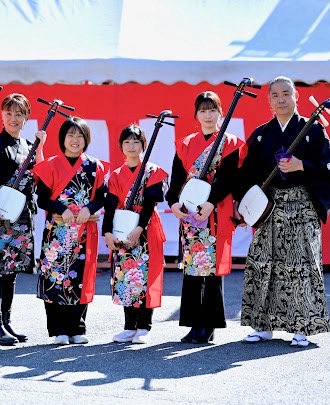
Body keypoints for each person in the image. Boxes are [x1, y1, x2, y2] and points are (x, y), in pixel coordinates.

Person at [238, 76, 330, 347]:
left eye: (286, 94)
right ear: (269, 100)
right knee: (262, 264)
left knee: (299, 265)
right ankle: (262, 326)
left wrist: (302, 165)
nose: (281, 99)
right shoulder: (262, 133)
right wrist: (244, 207)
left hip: (300, 206)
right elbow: (246, 172)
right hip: (268, 208)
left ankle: (302, 326)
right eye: (275, 95)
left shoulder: (313, 129)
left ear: (296, 96)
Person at [166, 91, 246, 344]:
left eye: (213, 110)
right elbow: (177, 179)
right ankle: (194, 325)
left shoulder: (230, 142)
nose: (208, 115)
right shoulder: (185, 144)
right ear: (196, 114)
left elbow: (229, 178)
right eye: (203, 110)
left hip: (215, 211)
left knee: (210, 272)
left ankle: (209, 325)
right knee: (192, 270)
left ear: (221, 113)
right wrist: (173, 203)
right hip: (190, 214)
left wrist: (212, 202)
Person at [0, 93, 47, 345]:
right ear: (1, 115)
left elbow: (40, 176)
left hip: (22, 216)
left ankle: (6, 322)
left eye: (19, 114)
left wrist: (41, 147)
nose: (13, 118)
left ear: (26, 117)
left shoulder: (29, 146)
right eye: (9, 113)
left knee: (12, 271)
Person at [33, 116, 108, 345]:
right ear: (62, 138)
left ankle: (77, 327)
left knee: (80, 278)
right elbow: (42, 199)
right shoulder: (51, 165)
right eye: (70, 135)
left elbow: (102, 197)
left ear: (87, 139)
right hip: (56, 231)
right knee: (55, 277)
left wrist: (89, 208)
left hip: (84, 231)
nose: (75, 140)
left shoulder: (95, 166)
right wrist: (61, 208)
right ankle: (58, 330)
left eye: (80, 136)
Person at [102, 124, 168, 344]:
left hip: (146, 228)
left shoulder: (153, 171)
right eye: (127, 142)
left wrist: (140, 227)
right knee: (125, 275)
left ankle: (144, 326)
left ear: (143, 145)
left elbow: (150, 203)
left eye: (136, 141)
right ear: (121, 145)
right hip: (122, 226)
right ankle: (129, 326)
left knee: (145, 275)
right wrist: (107, 232)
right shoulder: (116, 175)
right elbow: (110, 206)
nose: (131, 146)